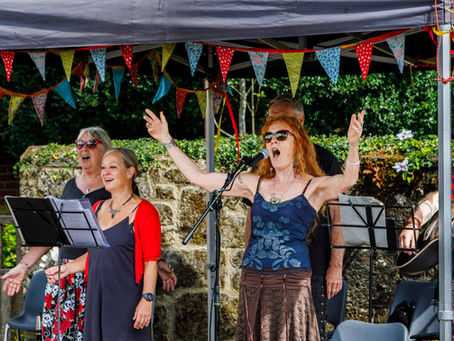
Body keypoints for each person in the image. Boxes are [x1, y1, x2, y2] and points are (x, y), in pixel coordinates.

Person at [143, 108, 364, 340]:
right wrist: (166, 140)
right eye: (268, 137)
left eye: (281, 135)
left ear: (298, 142)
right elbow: (199, 178)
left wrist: (352, 144)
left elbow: (348, 181)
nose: (273, 141)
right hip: (253, 282)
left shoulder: (313, 186)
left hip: (291, 285)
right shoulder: (254, 183)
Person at [1, 128, 176, 341]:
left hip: (114, 285)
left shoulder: (137, 204)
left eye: (91, 144)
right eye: (79, 144)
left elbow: (142, 249)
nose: (84, 148)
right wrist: (31, 266)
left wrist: (150, 288)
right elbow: (63, 237)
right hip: (81, 280)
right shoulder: (85, 198)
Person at [244, 95, 344, 340]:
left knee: (307, 331)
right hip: (266, 269)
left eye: (283, 119)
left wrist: (336, 265)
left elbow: (337, 215)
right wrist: (249, 256)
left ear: (300, 121)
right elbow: (252, 214)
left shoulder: (324, 158)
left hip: (313, 262)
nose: (275, 126)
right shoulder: (264, 160)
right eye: (271, 119)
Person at [46, 148, 161, 340]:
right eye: (103, 168)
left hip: (126, 299)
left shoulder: (145, 211)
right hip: (96, 296)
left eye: (113, 167)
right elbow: (96, 254)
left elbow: (151, 261)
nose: (105, 173)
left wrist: (146, 299)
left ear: (130, 172)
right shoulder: (97, 207)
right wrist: (67, 269)